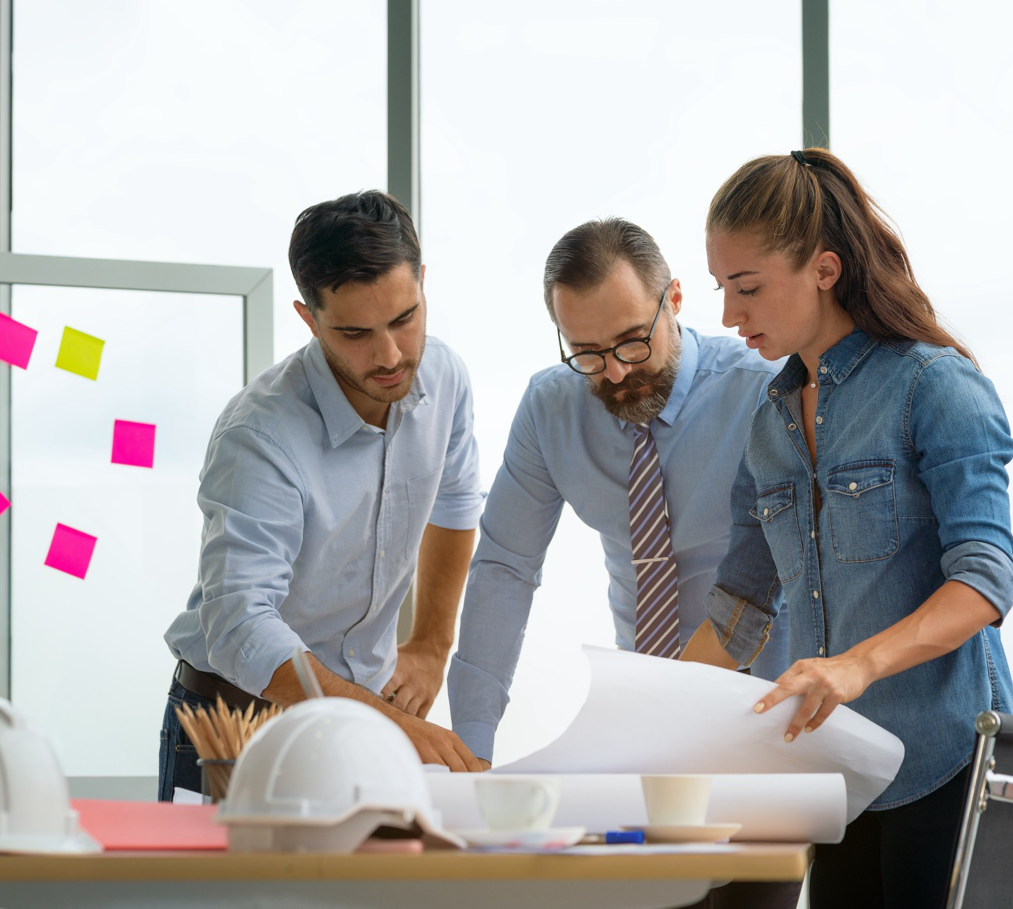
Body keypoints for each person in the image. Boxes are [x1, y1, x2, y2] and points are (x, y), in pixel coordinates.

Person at [684, 148, 1013, 909]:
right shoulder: (769, 418)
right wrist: (648, 726)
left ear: (824, 270)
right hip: (838, 776)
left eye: (747, 288)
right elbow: (742, 601)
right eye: (722, 290)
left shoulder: (934, 385)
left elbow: (983, 579)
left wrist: (856, 666)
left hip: (949, 764)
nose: (730, 315)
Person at [448, 218, 799, 908]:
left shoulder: (761, 390)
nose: (613, 371)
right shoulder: (551, 408)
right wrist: (472, 754)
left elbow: (783, 574)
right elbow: (503, 571)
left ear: (673, 300)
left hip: (764, 721)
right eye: (585, 351)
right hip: (651, 727)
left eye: (632, 341)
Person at [159, 190, 487, 801]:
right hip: (238, 721)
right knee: (229, 901)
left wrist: (432, 645)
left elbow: (456, 503)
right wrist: (389, 723)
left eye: (404, 318)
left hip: (365, 713)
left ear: (423, 283)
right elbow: (238, 622)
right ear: (309, 320)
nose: (390, 355)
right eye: (356, 332)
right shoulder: (260, 436)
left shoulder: (443, 377)